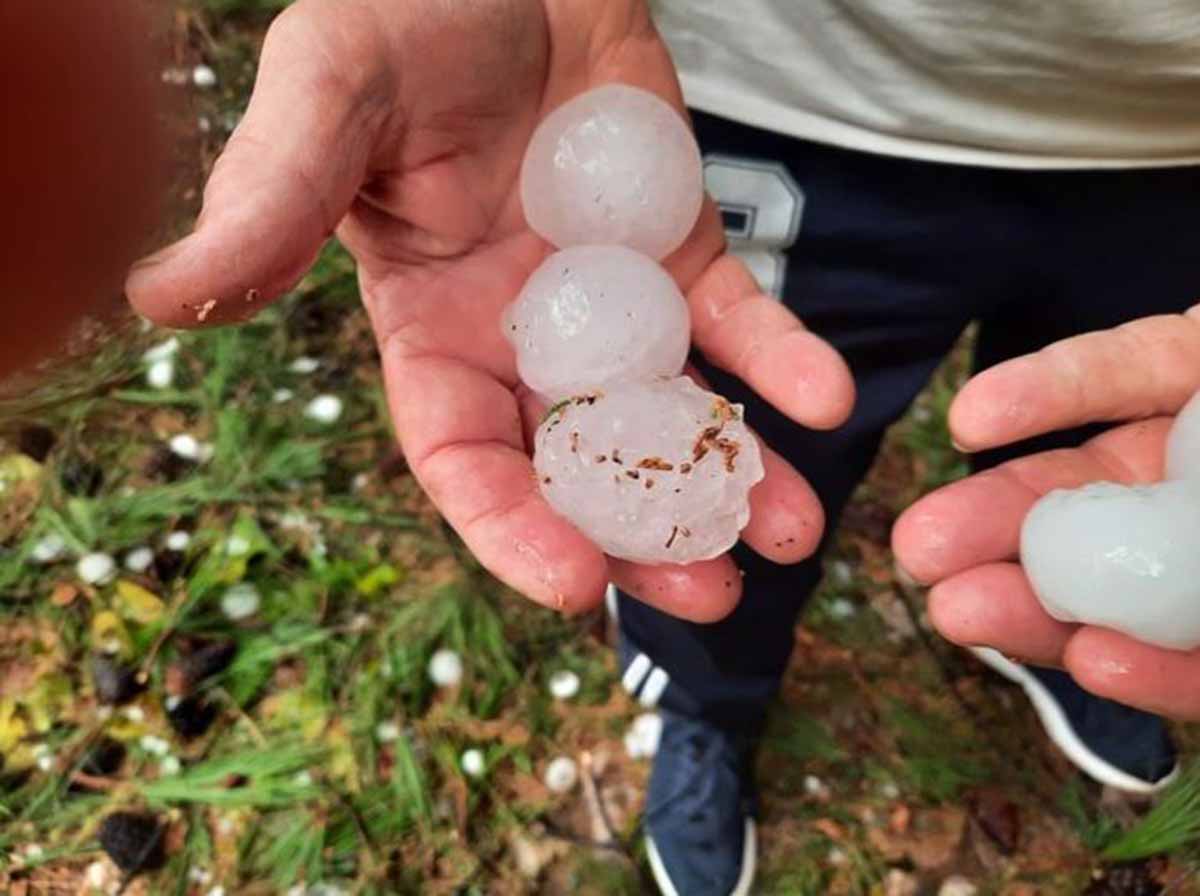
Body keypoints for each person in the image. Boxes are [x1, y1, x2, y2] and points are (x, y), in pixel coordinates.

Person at [125, 2, 1200, 893]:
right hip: (801, 95)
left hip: (1170, 133)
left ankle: (1075, 608)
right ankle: (706, 706)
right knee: (759, 450)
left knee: (1096, 419)